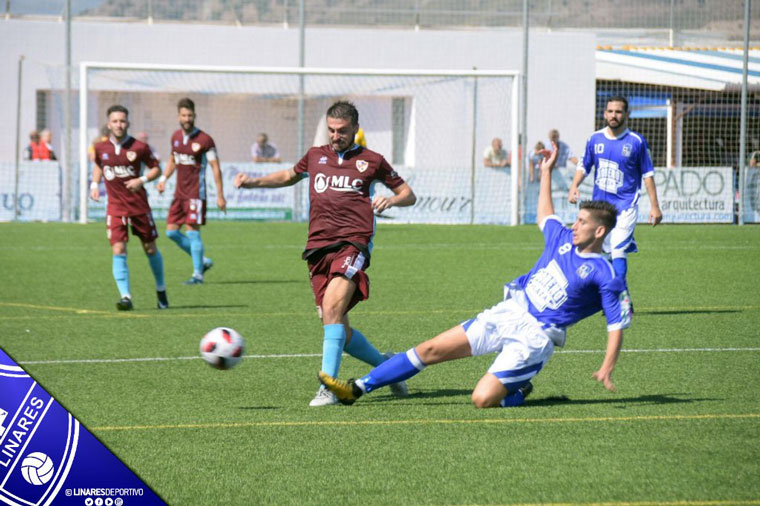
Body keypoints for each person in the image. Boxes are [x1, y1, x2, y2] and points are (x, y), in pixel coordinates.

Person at [318, 143, 632, 408]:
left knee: (482, 399)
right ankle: (356, 388)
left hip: (535, 338)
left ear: (600, 230)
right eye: (575, 220)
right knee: (429, 349)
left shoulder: (605, 272)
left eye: (581, 222)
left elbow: (616, 324)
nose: (574, 225)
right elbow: (545, 214)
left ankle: (518, 390)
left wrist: (607, 367)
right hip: (510, 310)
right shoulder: (562, 239)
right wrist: (547, 171)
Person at [234, 101, 417, 406]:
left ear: (355, 130)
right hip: (318, 247)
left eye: (342, 131)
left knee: (332, 307)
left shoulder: (372, 161)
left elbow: (408, 194)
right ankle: (389, 369)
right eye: (332, 130)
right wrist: (253, 182)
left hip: (353, 243)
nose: (335, 136)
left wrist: (391, 200)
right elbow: (288, 176)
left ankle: (328, 388)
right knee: (336, 327)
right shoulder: (316, 156)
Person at [568, 96, 662, 281]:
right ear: (604, 114)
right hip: (600, 209)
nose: (614, 115)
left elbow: (648, 175)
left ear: (627, 114)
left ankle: (620, 298)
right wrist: (574, 186)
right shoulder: (594, 139)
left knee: (618, 248)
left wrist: (655, 206)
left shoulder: (637, 142)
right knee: (605, 252)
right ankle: (610, 297)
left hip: (626, 207)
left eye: (618, 112)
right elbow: (584, 166)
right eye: (610, 111)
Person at [89, 105, 169, 311]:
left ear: (128, 123)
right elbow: (99, 164)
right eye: (115, 121)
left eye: (122, 121)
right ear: (109, 124)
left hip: (139, 206)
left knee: (150, 249)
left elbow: (156, 169)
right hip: (115, 208)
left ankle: (161, 290)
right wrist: (94, 184)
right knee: (118, 248)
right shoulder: (100, 148)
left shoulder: (139, 147)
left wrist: (141, 180)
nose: (119, 124)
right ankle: (125, 297)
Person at [156, 97, 226, 285]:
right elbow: (173, 160)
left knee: (193, 232)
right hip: (179, 194)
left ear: (195, 115)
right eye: (183, 115)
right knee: (171, 232)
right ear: (178, 116)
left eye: (190, 115)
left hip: (196, 194)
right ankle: (202, 261)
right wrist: (163, 178)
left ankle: (197, 274)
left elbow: (215, 168)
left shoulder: (205, 140)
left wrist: (220, 196)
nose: (187, 118)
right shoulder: (176, 137)